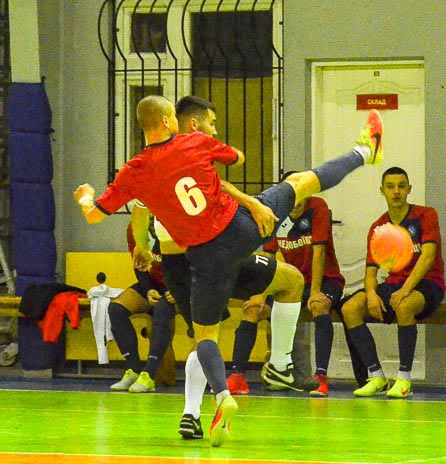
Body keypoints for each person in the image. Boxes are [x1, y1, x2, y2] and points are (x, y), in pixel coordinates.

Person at [74, 95, 383, 446]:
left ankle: (225, 395)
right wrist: (212, 152)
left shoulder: (134, 171)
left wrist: (86, 195)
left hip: (204, 259)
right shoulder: (194, 142)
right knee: (302, 183)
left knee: (206, 337)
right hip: (239, 231)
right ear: (166, 122)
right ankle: (363, 153)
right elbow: (238, 158)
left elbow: (95, 213)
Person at [227, 172, 345, 397]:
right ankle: (238, 376)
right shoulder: (275, 213)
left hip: (325, 280)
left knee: (319, 306)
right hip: (291, 284)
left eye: (299, 196)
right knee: (253, 308)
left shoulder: (318, 208)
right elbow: (268, 257)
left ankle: (320, 376)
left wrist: (317, 291)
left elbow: (319, 252)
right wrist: (259, 294)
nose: (295, 203)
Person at [341, 166, 445, 399]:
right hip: (394, 284)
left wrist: (405, 290)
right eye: (390, 187)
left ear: (409, 189)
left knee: (404, 305)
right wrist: (371, 294)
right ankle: (376, 375)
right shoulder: (378, 228)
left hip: (427, 284)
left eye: (401, 186)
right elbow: (370, 271)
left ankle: (404, 378)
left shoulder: (426, 215)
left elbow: (427, 257)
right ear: (382, 191)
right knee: (349, 308)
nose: (396, 191)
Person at [107, 220, 177, 393]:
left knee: (162, 309)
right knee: (116, 309)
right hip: (153, 283)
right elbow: (139, 263)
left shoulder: (177, 221)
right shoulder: (135, 227)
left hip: (181, 284)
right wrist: (148, 289)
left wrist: (178, 289)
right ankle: (132, 370)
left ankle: (149, 375)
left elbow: (195, 260)